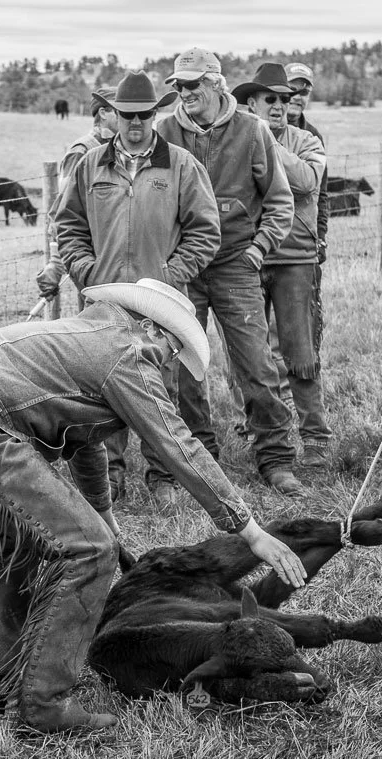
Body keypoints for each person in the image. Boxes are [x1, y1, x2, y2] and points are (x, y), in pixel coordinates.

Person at [0, 279, 309, 733]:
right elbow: (176, 443)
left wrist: (104, 515)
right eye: (170, 351)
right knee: (90, 550)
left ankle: (1, 679)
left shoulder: (85, 340)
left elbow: (83, 439)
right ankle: (43, 705)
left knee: (17, 544)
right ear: (149, 327)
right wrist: (248, 529)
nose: (166, 365)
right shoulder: (126, 350)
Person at [55, 71, 220, 503]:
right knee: (100, 384)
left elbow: (205, 231)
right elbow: (68, 225)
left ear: (155, 114)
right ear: (115, 116)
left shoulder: (182, 165)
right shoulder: (90, 165)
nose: (134, 124)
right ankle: (110, 477)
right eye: (127, 115)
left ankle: (163, 476)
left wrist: (170, 275)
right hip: (104, 297)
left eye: (144, 115)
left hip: (155, 300)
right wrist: (86, 271)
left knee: (160, 386)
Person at [153, 48, 305, 497]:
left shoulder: (252, 131)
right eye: (178, 86)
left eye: (193, 84)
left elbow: (279, 200)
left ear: (217, 84)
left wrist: (258, 250)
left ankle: (275, 458)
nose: (184, 93)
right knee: (184, 365)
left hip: (236, 262)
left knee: (255, 363)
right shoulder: (166, 131)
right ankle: (199, 455)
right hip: (184, 266)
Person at [231, 63, 333, 464]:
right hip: (247, 258)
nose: (279, 106)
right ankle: (263, 433)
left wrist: (265, 142)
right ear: (252, 102)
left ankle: (316, 439)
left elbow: (308, 181)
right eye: (270, 99)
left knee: (300, 353)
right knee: (252, 353)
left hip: (294, 258)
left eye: (284, 100)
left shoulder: (306, 141)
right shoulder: (235, 142)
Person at [35, 86, 118, 302]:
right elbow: (63, 210)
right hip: (89, 255)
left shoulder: (118, 148)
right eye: (121, 111)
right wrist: (56, 262)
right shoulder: (82, 151)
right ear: (103, 113)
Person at [283, 62, 325, 144]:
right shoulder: (265, 130)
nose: (297, 97)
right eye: (292, 90)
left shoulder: (314, 137)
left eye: (304, 92)